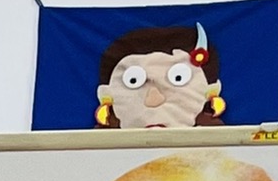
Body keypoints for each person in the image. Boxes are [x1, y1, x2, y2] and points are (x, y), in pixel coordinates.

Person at [94, 25, 228, 130]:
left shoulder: (219, 142)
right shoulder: (98, 148)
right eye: (133, 81)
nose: (154, 100)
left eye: (179, 78)